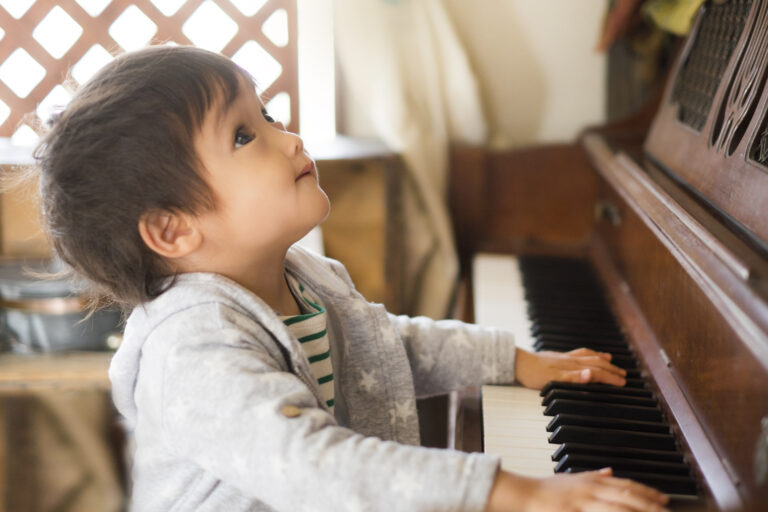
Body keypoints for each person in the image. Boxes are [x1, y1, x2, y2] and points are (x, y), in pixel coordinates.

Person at [26, 45, 670, 511]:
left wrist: (508, 359)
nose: (288, 138)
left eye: (270, 116)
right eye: (245, 136)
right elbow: (313, 465)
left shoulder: (300, 276)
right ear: (172, 231)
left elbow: (384, 347)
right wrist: (509, 491)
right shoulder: (192, 352)